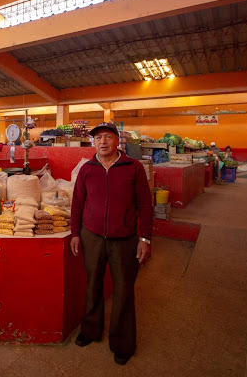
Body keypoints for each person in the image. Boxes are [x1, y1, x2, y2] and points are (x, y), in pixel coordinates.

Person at [70, 121, 153, 365]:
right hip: (92, 237)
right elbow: (77, 203)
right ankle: (91, 330)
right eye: (98, 138)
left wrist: (145, 238)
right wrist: (76, 233)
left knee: (124, 292)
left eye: (107, 137)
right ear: (93, 143)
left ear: (117, 141)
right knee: (92, 286)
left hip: (124, 240)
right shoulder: (87, 169)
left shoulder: (133, 167)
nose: (102, 142)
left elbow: (146, 205)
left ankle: (122, 343)